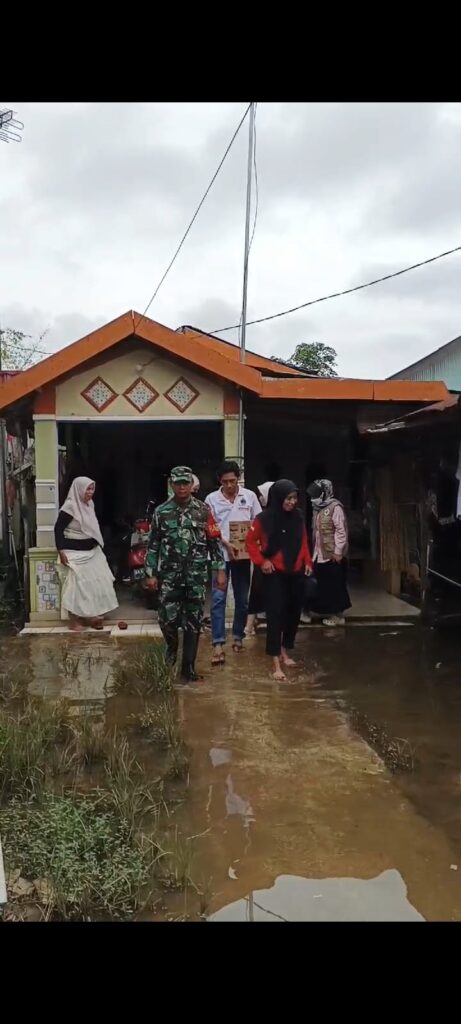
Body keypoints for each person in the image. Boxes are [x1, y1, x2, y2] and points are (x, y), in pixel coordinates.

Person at [144, 466, 226, 682]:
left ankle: (188, 668)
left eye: (185, 483)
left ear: (191, 485)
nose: (182, 487)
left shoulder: (204, 510)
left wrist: (220, 571)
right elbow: (152, 545)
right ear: (172, 485)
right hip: (170, 578)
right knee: (167, 621)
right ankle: (171, 651)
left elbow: (214, 543)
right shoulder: (161, 512)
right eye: (178, 483)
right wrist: (151, 573)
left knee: (193, 622)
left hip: (196, 578)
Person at [246, 479, 313, 680]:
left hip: (296, 570)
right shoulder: (263, 519)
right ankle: (275, 663)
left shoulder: (299, 517)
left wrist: (308, 562)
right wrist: (261, 561)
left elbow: (303, 541)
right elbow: (250, 542)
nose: (292, 502)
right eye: (288, 498)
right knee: (275, 615)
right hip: (274, 572)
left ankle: (285, 650)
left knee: (292, 613)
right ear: (278, 498)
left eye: (294, 498)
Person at [205, 461, 261, 663]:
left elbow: (258, 522)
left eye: (233, 481)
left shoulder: (250, 496)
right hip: (219, 556)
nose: (229, 485)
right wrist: (226, 544)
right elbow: (209, 527)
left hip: (243, 557)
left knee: (242, 599)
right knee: (218, 599)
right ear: (220, 481)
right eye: (225, 481)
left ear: (239, 478)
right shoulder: (211, 499)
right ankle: (218, 643)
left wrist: (251, 543)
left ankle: (238, 637)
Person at [55, 476, 119, 631]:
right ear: (79, 489)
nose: (90, 492)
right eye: (87, 489)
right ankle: (75, 620)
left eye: (92, 489)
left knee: (98, 581)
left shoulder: (89, 505)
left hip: (91, 551)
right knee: (77, 587)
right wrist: (61, 552)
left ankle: (92, 615)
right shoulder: (70, 507)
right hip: (74, 552)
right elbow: (58, 530)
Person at [307, 479, 351, 626]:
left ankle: (338, 615)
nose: (313, 497)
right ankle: (326, 610)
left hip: (333, 555)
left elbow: (341, 530)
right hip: (320, 554)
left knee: (335, 584)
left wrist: (338, 551)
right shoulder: (318, 508)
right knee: (322, 583)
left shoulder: (335, 507)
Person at [246, 481, 274, 636]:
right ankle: (249, 626)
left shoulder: (282, 516)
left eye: (262, 495)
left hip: (276, 562)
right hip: (261, 559)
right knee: (256, 591)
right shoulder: (261, 516)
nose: (259, 498)